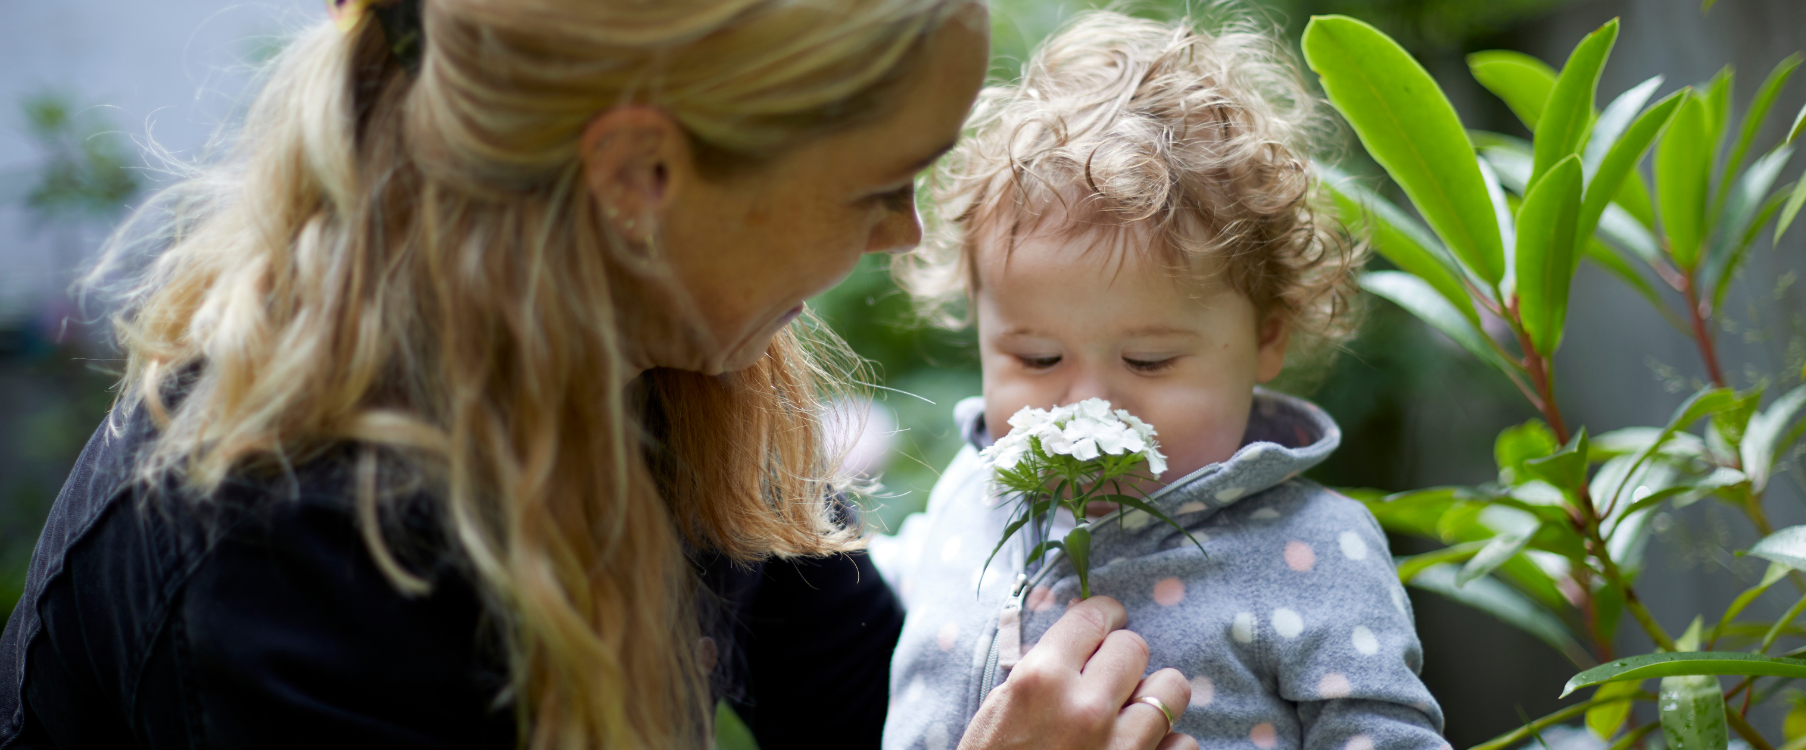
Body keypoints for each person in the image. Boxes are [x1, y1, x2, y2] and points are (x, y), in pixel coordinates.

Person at [0, 0, 1196, 748]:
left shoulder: (663, 363)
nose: (904, 237)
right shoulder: (291, 550)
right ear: (637, 179)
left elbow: (861, 703)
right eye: (876, 187)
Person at [871, 12, 1448, 750]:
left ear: (1267, 337)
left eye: (1149, 361)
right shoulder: (970, 492)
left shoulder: (1311, 550)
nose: (1085, 405)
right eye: (1037, 359)